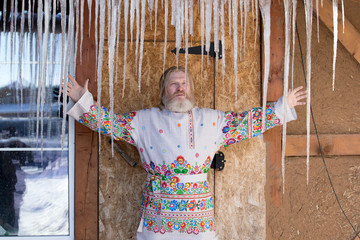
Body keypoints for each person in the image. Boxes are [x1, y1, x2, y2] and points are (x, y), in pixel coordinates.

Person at [64, 66, 307, 240]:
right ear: (163, 90)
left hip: (198, 220)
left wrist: (281, 107)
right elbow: (110, 123)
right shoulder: (144, 120)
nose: (180, 88)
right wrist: (82, 100)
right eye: (174, 83)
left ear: (191, 89)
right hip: (158, 217)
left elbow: (246, 124)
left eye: (185, 83)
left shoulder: (213, 121)